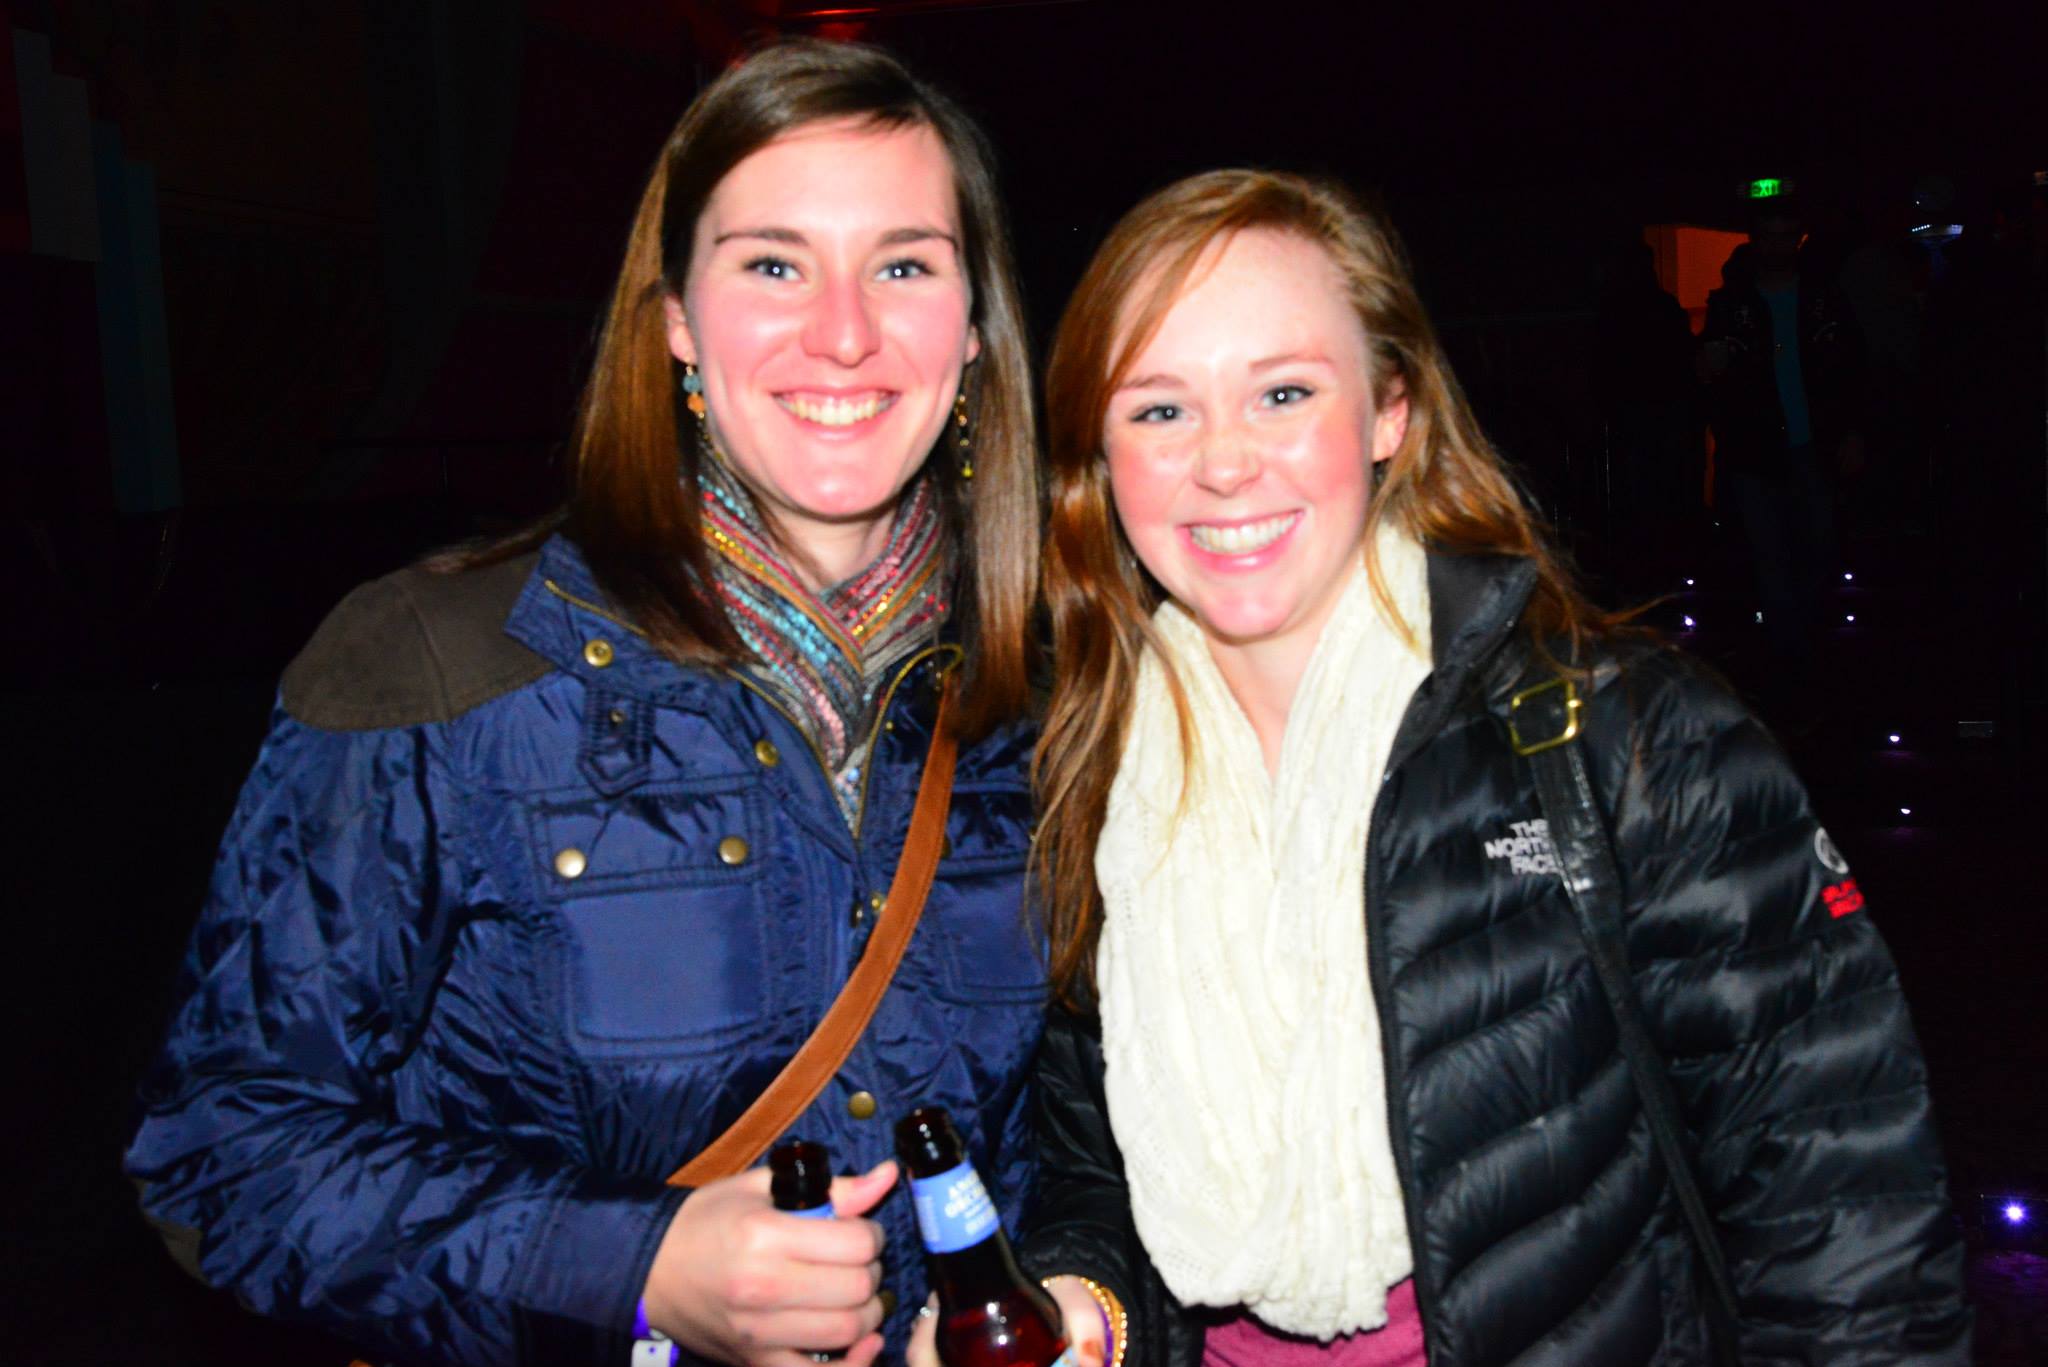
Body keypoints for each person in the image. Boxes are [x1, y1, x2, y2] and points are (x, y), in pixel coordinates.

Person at [125, 40, 1045, 1367]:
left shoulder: (1053, 690)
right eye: (773, 265)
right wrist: (637, 1264)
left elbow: (1088, 1133)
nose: (844, 331)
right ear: (677, 320)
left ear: (973, 326)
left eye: (903, 266)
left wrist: (1079, 1295)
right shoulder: (441, 670)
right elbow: (222, 1152)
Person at [980, 170, 1971, 1366]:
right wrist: (1085, 1296)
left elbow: (1845, 1225)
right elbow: (1089, 1171)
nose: (1223, 463)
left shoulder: (1632, 736)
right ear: (1097, 448)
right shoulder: (1083, 775)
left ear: (1388, 412)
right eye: (1158, 409)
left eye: (1282, 392)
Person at [1697, 193, 1865, 706]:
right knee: (1771, 558)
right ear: (1755, 240)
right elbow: (1710, 378)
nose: (1777, 247)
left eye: (1785, 237)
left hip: (1812, 445)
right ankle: (1791, 661)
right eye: (1768, 237)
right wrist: (1711, 370)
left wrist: (1853, 431)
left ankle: (1803, 654)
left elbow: (1851, 369)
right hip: (1758, 451)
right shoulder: (1733, 303)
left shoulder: (1823, 298)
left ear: (1798, 239)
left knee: (1816, 551)